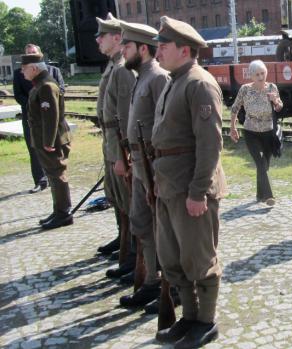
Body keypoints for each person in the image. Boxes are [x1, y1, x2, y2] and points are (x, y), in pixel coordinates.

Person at [151, 16, 227, 347]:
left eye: (163, 47)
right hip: (169, 186)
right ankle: (190, 318)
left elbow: (210, 144)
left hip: (190, 188)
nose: (157, 53)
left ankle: (206, 322)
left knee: (199, 258)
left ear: (184, 50)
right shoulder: (174, 80)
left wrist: (198, 192)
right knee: (174, 258)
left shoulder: (199, 83)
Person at [117, 21, 170, 308]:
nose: (123, 51)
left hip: (153, 163)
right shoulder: (141, 77)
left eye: (127, 46)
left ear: (143, 49)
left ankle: (168, 282)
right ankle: (152, 280)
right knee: (141, 223)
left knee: (161, 226)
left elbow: (167, 125)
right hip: (138, 163)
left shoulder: (157, 77)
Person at [94, 13, 138, 279]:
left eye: (102, 35)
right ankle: (125, 243)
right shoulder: (113, 66)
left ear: (117, 37)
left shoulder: (122, 69)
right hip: (111, 142)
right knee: (118, 198)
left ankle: (133, 253)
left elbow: (124, 116)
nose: (97, 39)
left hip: (119, 143)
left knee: (128, 200)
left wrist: (124, 153)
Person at [20, 53, 72, 229]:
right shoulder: (40, 84)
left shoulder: (46, 86)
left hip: (52, 140)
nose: (22, 72)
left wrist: (48, 142)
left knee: (57, 175)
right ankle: (58, 210)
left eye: (24, 68)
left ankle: (64, 213)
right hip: (45, 139)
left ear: (34, 68)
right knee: (52, 175)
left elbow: (51, 117)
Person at [229, 59, 283, 206]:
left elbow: (279, 107)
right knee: (259, 163)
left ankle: (259, 194)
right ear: (251, 76)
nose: (261, 77)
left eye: (263, 73)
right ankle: (268, 196)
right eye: (257, 74)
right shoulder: (245, 89)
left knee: (265, 164)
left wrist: (275, 101)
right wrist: (233, 127)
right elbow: (235, 108)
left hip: (268, 131)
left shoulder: (272, 87)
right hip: (250, 130)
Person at [13, 44, 65, 193]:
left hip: (53, 118)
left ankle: (55, 179)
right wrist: (34, 106)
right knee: (34, 149)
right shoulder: (19, 73)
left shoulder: (53, 71)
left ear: (40, 54)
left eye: (33, 52)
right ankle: (40, 181)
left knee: (55, 149)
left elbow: (60, 90)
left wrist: (45, 105)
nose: (30, 55)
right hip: (32, 119)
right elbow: (18, 95)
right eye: (28, 53)